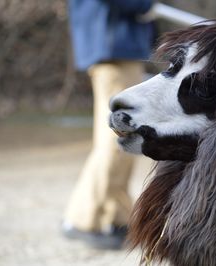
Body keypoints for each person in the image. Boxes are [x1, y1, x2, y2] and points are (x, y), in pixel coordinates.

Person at [61, 0, 154, 250]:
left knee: (117, 137)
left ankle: (115, 214)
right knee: (118, 138)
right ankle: (85, 219)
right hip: (113, 45)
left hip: (112, 44)